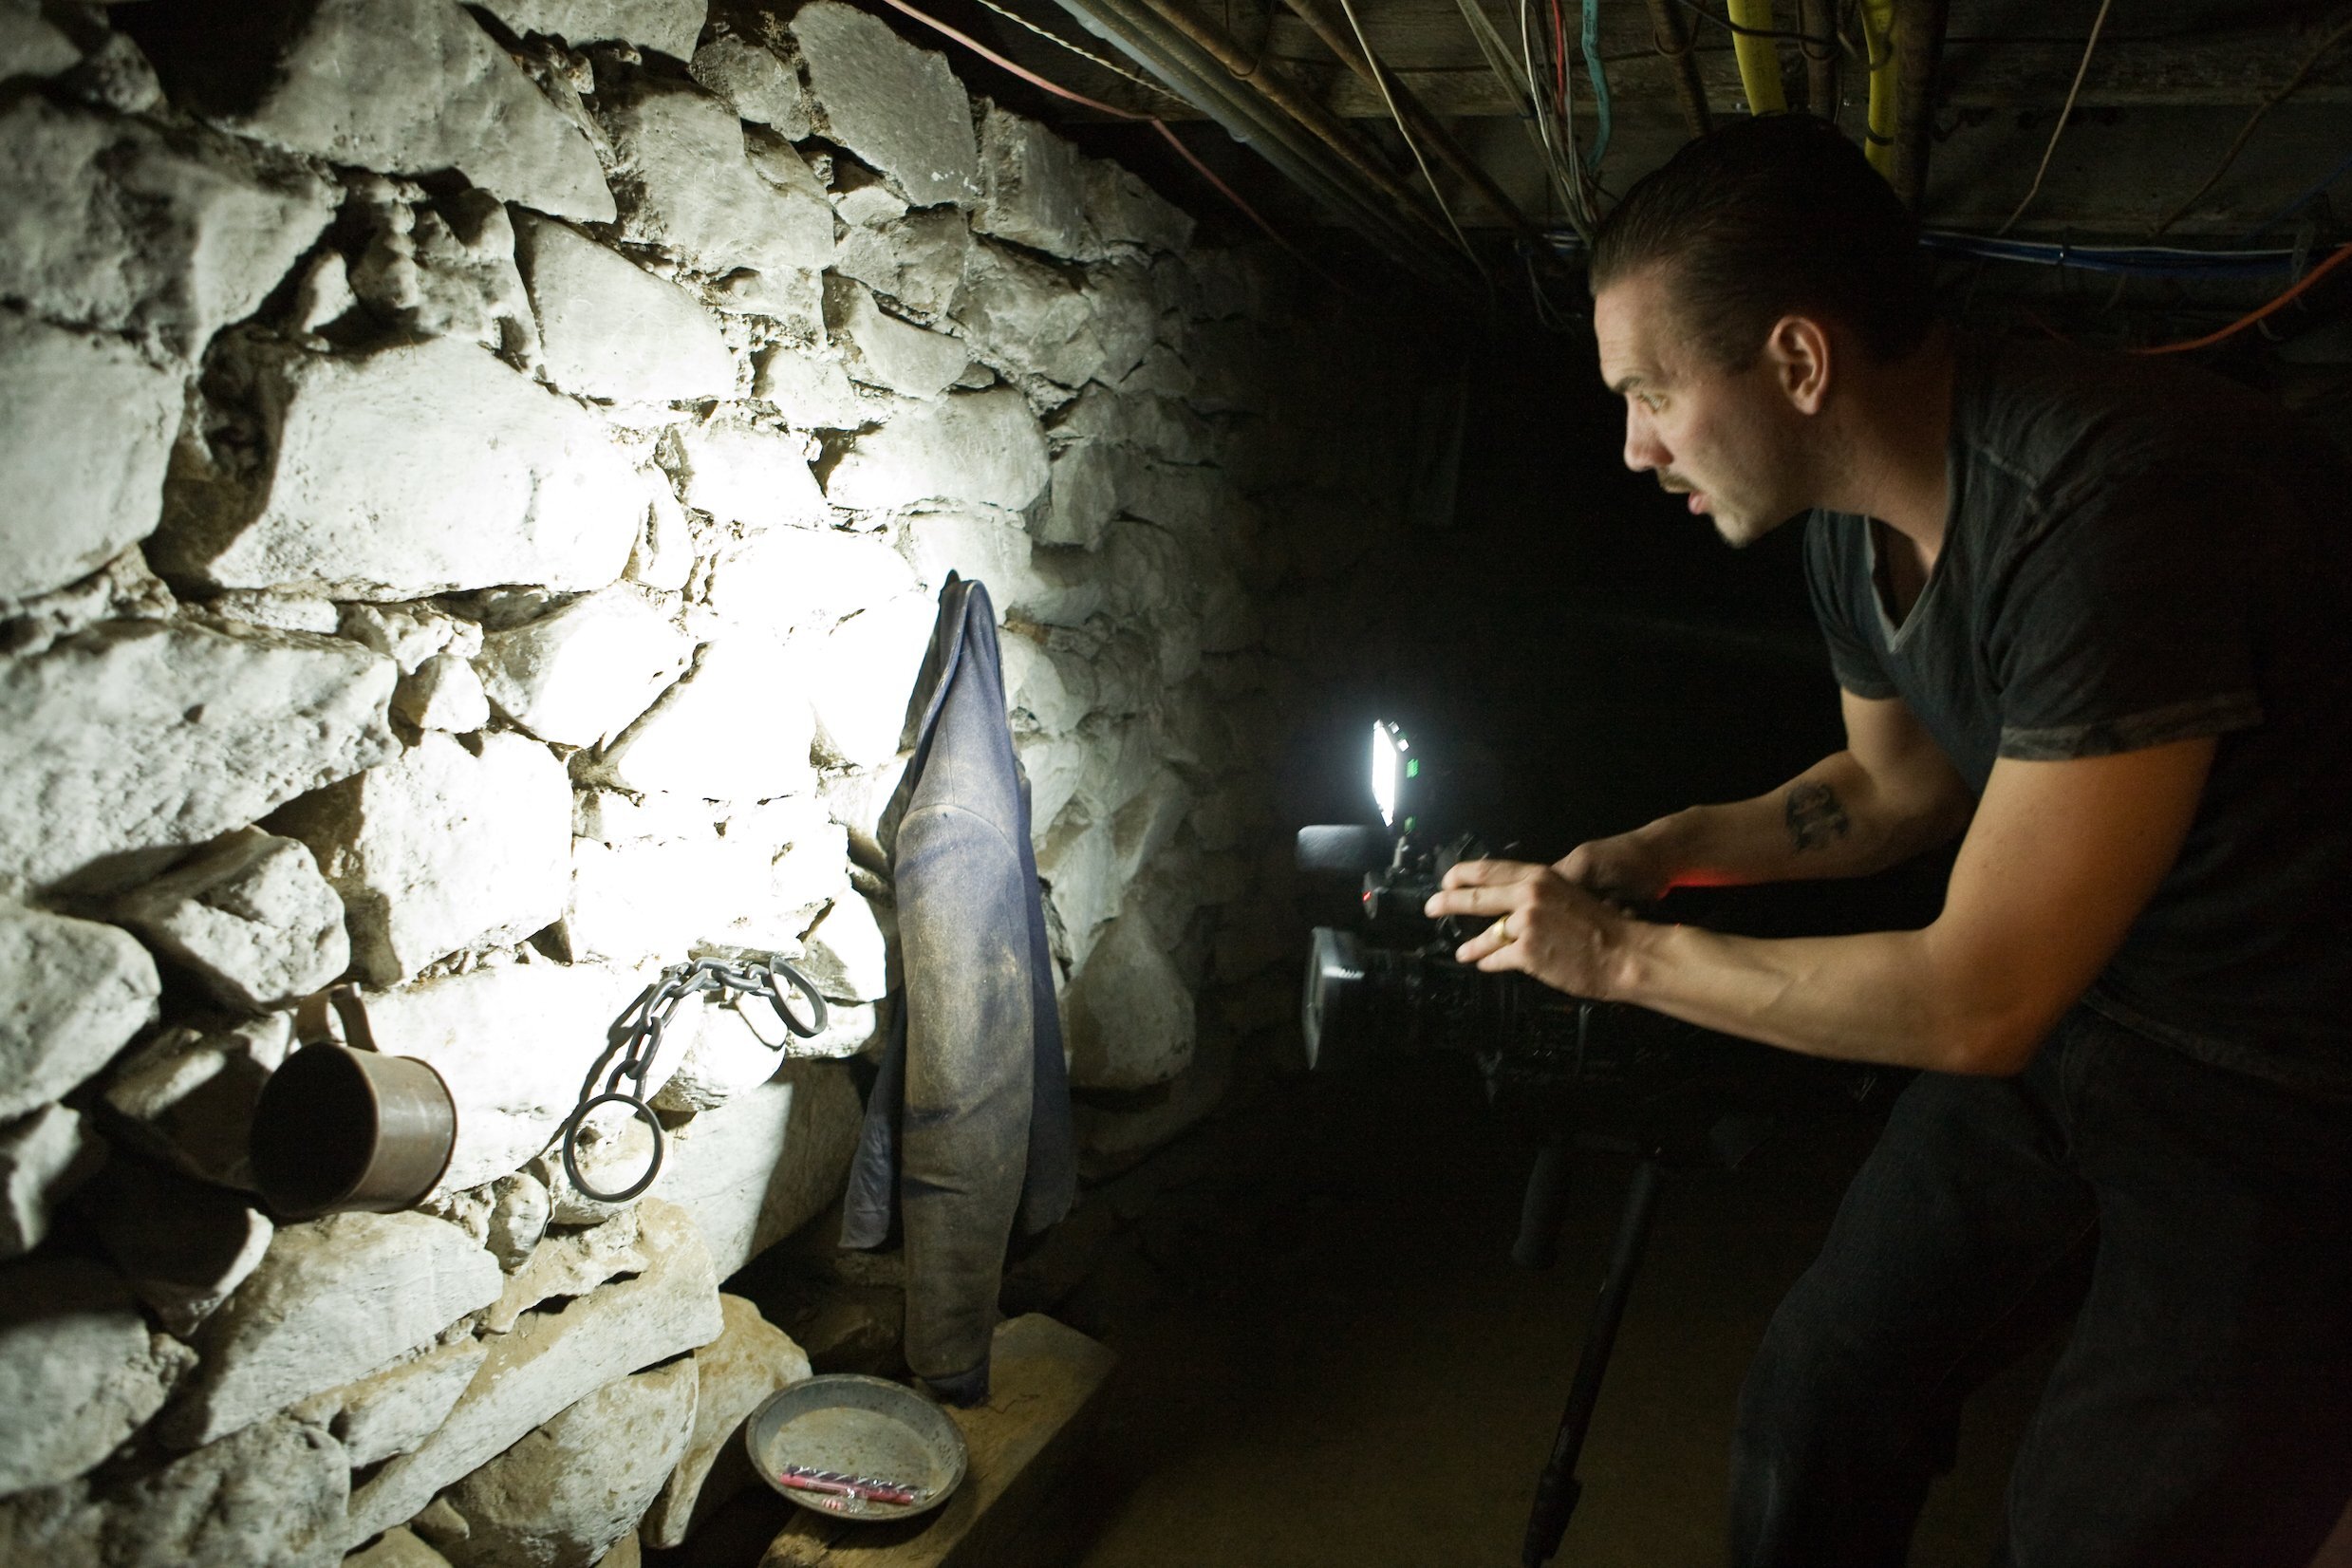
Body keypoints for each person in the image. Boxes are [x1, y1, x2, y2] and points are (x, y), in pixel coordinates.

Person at [1425, 114, 2352, 1566]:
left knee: (2108, 1533)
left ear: (1797, 363)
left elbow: (1977, 1001)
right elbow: (1892, 792)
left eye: (1652, 391)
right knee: (1820, 1398)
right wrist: (1657, 851)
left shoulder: (2107, 508)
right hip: (2102, 1007)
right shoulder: (1846, 527)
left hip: (2288, 1080)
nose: (1630, 446)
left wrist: (1617, 957)